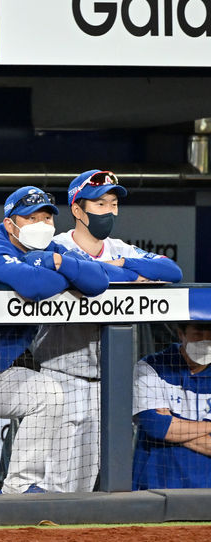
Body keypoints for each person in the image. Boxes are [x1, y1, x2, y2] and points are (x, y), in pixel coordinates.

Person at [0, 186, 110, 494]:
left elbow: (98, 281)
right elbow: (34, 285)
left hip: (1, 376)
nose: (41, 224)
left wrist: (60, 264)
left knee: (49, 394)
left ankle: (20, 487)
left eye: (46, 217)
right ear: (10, 223)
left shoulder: (51, 246)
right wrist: (59, 272)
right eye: (31, 217)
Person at [32, 170, 182, 492]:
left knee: (89, 482)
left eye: (113, 203)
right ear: (77, 210)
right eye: (100, 203)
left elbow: (171, 270)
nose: (109, 211)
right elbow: (71, 272)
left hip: (108, 385)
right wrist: (120, 272)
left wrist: (121, 266)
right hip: (61, 377)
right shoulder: (52, 246)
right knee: (54, 481)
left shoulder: (119, 248)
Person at [133, 321, 211, 489]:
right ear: (181, 334)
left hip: (206, 488)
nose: (205, 340)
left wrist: (174, 425)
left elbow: (166, 429)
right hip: (155, 485)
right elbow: (156, 427)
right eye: (198, 333)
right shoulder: (151, 366)